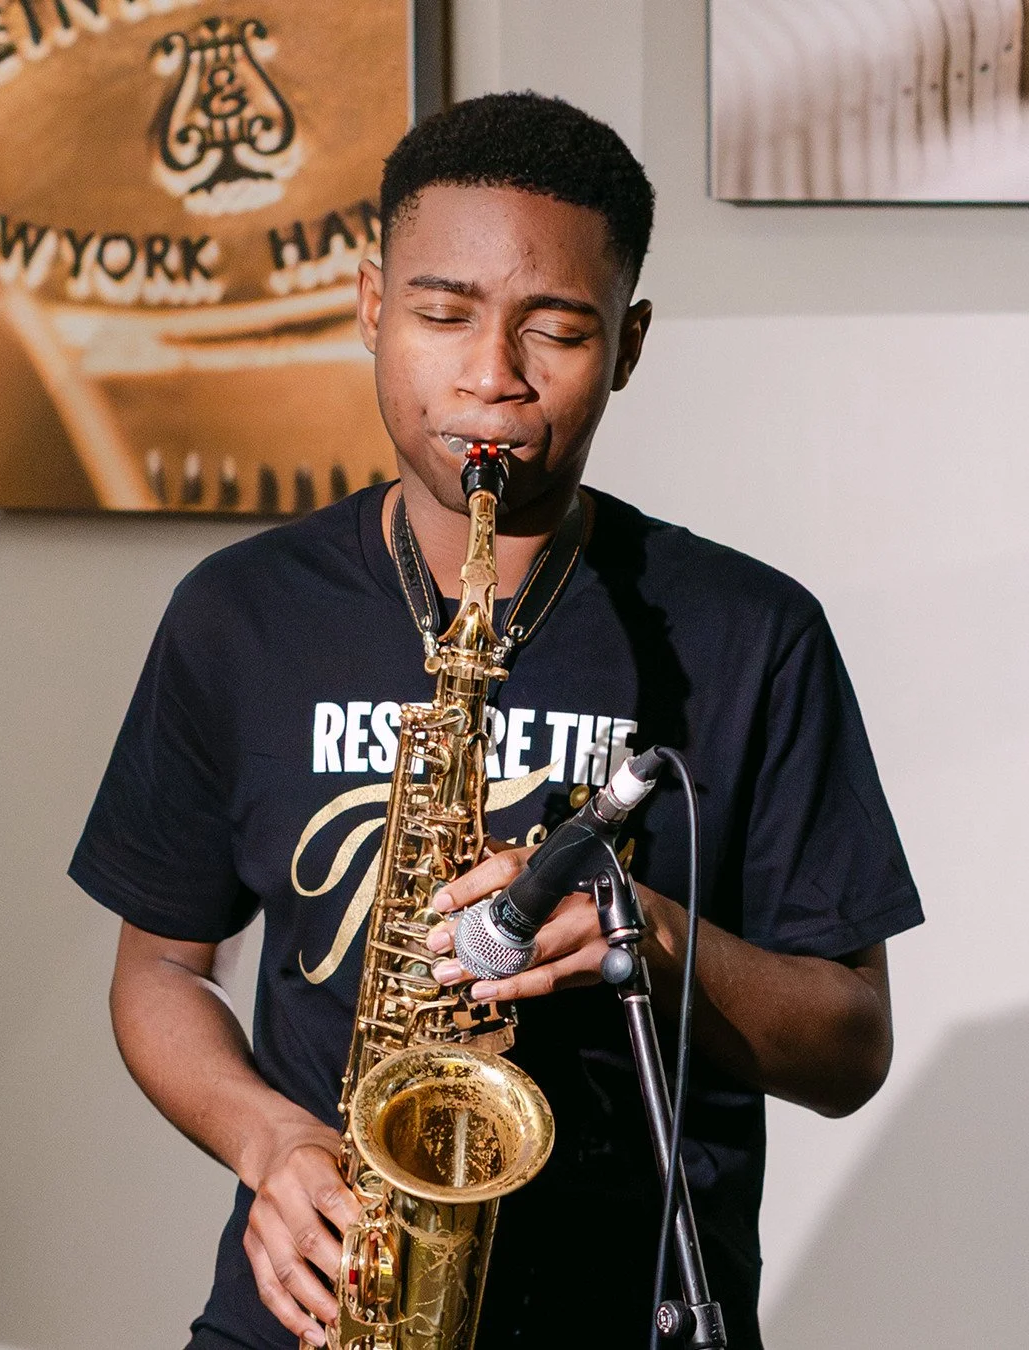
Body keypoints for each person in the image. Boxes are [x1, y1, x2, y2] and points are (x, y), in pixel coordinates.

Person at [70, 92, 923, 1349]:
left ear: (628, 345)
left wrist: (648, 932)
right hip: (319, 1306)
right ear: (371, 305)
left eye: (558, 332)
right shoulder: (238, 613)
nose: (490, 379)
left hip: (627, 1308)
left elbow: (852, 1050)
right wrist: (271, 1140)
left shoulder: (753, 631)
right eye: (441, 314)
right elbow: (157, 966)